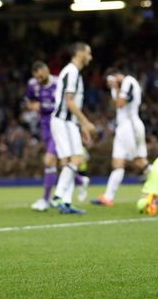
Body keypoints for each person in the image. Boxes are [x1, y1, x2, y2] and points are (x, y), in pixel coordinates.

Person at [27, 61, 89, 211]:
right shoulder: (32, 85)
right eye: (37, 77)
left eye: (41, 75)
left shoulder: (59, 82)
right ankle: (80, 181)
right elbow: (31, 103)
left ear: (47, 70)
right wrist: (38, 106)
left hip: (59, 123)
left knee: (49, 160)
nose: (39, 79)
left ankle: (46, 199)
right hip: (45, 126)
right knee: (63, 162)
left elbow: (66, 102)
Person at [92, 68, 150, 206]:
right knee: (117, 163)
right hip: (122, 127)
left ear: (118, 75)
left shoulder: (128, 81)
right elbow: (115, 106)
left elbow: (120, 103)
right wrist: (115, 89)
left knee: (139, 161)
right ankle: (108, 197)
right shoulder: (118, 87)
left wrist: (116, 87)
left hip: (131, 126)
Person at [50, 42, 96, 214]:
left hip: (68, 122)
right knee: (76, 160)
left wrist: (80, 126)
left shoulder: (73, 72)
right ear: (79, 53)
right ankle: (58, 196)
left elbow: (73, 102)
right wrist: (85, 122)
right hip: (63, 121)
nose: (90, 58)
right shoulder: (72, 72)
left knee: (71, 163)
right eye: (88, 53)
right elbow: (69, 102)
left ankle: (66, 202)